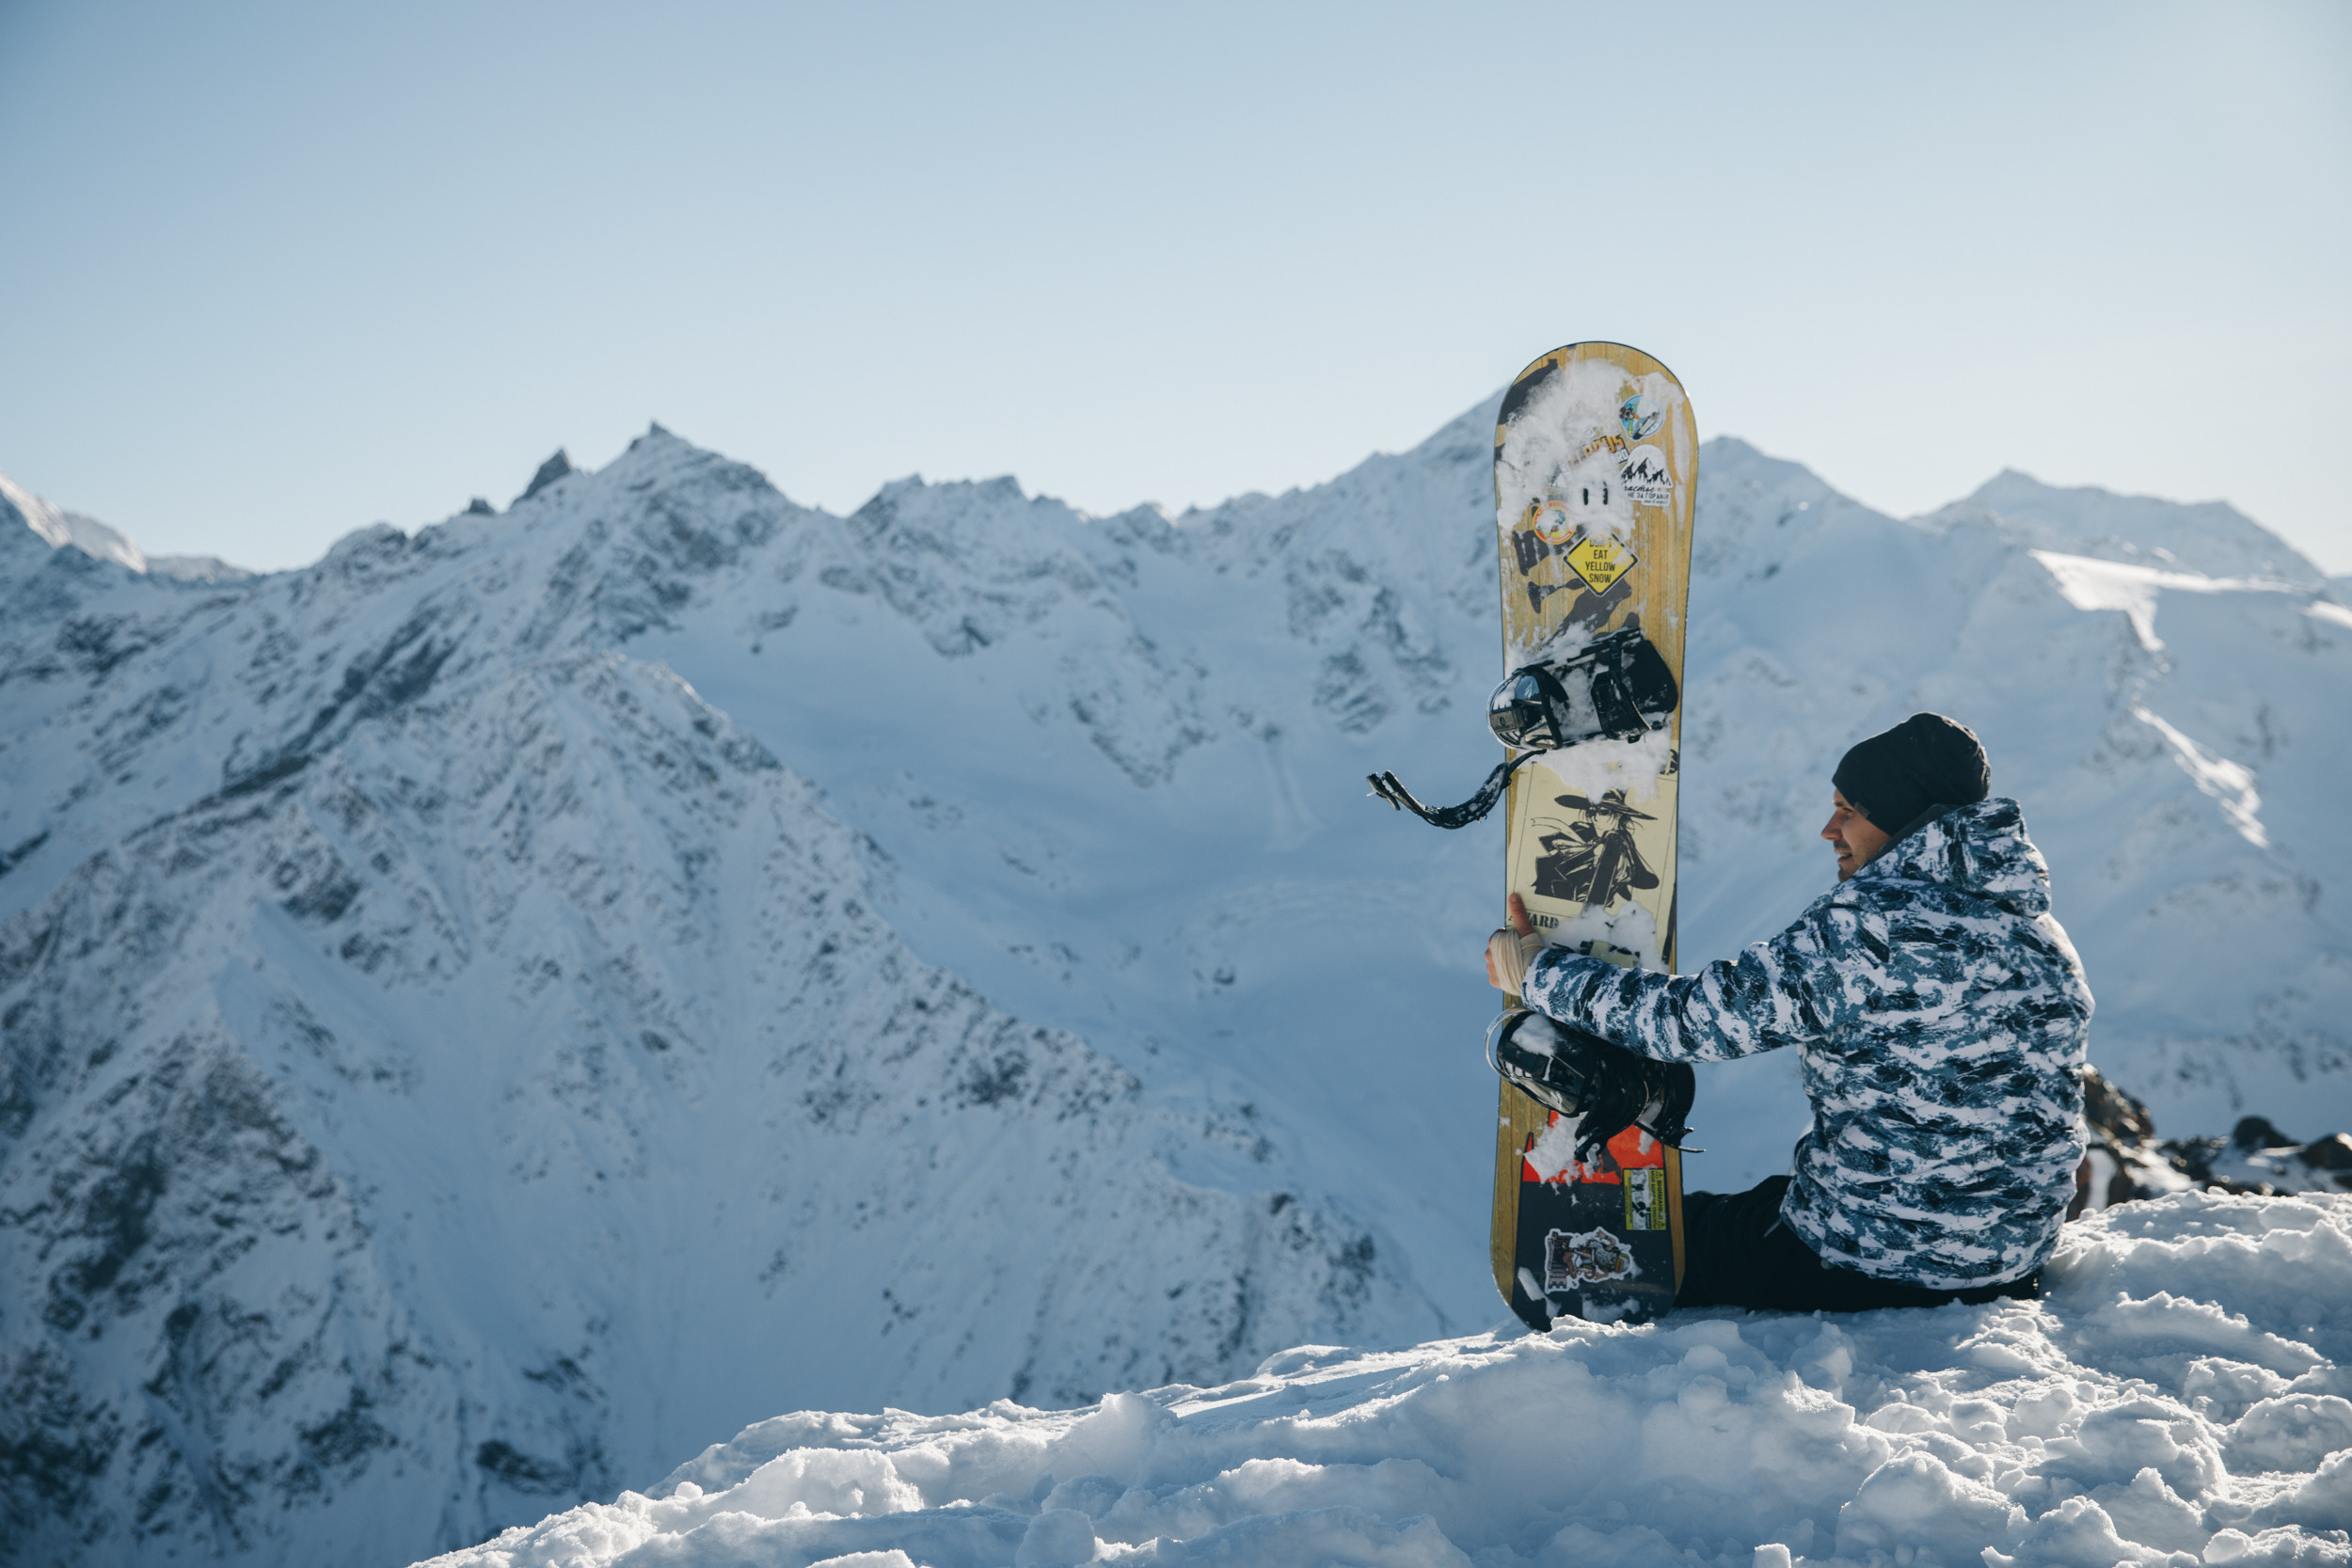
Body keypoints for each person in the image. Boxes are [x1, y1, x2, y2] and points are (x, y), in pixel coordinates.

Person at [1485, 712, 2092, 1312]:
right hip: (2011, 1260)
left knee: (1648, 1242)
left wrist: (1538, 973)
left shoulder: (1875, 926)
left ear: (1901, 815)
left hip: (1876, 1265)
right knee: (1762, 1204)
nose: (1830, 828)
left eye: (1849, 809)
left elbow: (1689, 1022)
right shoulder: (2041, 933)